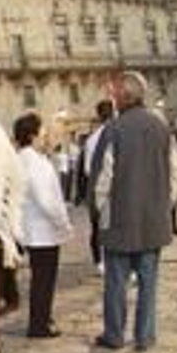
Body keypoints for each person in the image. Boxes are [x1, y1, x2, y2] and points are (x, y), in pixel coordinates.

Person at [90, 71, 177, 352]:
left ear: (122, 97)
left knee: (116, 283)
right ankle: (145, 335)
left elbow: (101, 182)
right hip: (153, 219)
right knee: (148, 282)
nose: (112, 98)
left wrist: (99, 216)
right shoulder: (161, 128)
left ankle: (115, 334)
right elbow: (175, 173)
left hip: (119, 220)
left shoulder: (113, 131)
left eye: (114, 94)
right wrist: (163, 206)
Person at [15, 112, 70, 339]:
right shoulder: (32, 161)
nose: (45, 134)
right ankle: (39, 324)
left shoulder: (33, 158)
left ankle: (43, 318)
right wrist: (63, 223)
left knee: (43, 279)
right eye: (42, 131)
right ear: (32, 135)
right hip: (42, 230)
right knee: (43, 280)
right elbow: (45, 199)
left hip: (40, 230)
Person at [75, 99, 115, 273]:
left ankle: (99, 261)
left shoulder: (91, 140)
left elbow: (85, 168)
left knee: (97, 226)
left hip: (94, 183)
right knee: (115, 225)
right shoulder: (117, 132)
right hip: (113, 185)